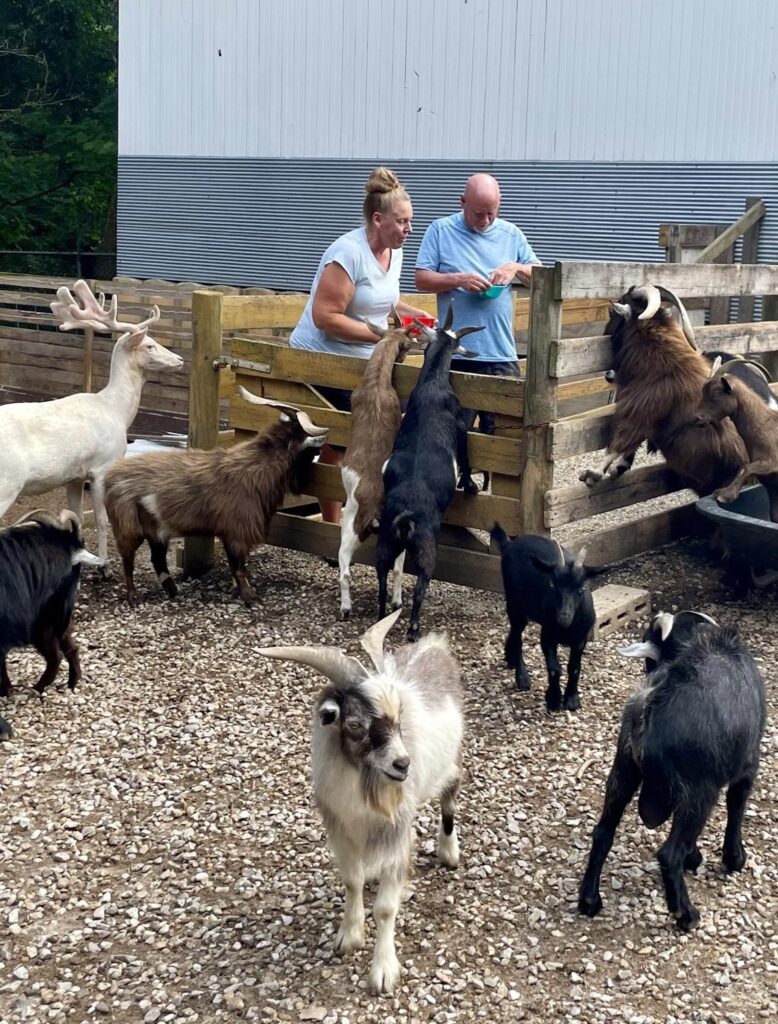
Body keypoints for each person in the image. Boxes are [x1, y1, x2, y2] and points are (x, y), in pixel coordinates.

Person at [290, 166, 429, 524]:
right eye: (402, 222)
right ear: (378, 218)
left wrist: (416, 317)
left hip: (363, 360)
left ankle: (365, 510)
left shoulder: (393, 252)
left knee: (381, 428)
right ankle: (332, 526)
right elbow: (325, 316)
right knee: (344, 438)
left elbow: (383, 301)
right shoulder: (347, 253)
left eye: (410, 221)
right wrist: (380, 336)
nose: (408, 230)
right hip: (321, 358)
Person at [415, 173, 541, 441]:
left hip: (501, 354)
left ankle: (495, 484)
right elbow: (421, 279)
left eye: (491, 214)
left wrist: (516, 267)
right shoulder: (440, 230)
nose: (485, 221)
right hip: (455, 355)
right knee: (451, 437)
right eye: (477, 214)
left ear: (500, 205)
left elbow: (541, 276)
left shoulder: (512, 234)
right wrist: (458, 279)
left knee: (508, 440)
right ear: (462, 202)